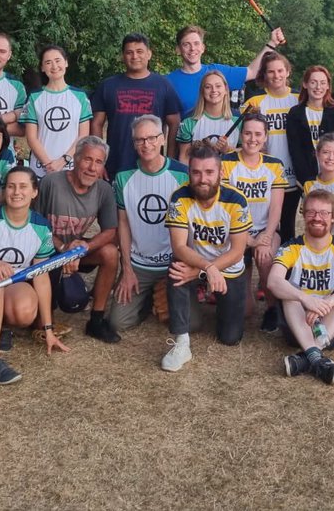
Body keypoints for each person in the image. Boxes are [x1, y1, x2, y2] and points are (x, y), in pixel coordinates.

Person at [0, 166, 66, 385]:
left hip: (10, 288)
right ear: (4, 191)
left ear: (34, 192)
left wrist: (47, 329)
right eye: (11, 186)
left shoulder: (41, 225)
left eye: (23, 187)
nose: (16, 192)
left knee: (24, 313)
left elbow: (40, 275)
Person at [160, 143, 251, 371]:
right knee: (176, 267)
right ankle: (182, 342)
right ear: (189, 173)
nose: (203, 179)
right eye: (196, 172)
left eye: (209, 172)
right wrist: (206, 269)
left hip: (227, 268)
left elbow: (238, 251)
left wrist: (206, 269)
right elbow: (179, 247)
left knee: (230, 337)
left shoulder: (236, 200)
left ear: (221, 173)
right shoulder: (180, 197)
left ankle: (216, 301)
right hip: (193, 263)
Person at [267, 189, 334, 385]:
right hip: (298, 325)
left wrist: (328, 302)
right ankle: (317, 359)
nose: (317, 218)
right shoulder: (291, 247)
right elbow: (273, 281)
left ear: (332, 218)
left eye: (324, 213)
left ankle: (308, 357)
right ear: (303, 215)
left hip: (333, 329)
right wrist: (305, 299)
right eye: (311, 212)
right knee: (289, 290)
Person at [107, 116, 191, 333]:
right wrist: (126, 269)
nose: (146, 144)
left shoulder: (183, 175)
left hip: (173, 264)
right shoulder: (124, 178)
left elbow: (192, 223)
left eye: (152, 138)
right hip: (139, 265)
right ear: (134, 143)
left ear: (162, 139)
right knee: (118, 322)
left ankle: (163, 289)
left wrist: (190, 265)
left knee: (191, 323)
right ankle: (146, 300)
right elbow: (123, 224)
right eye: (140, 140)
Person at [37, 136, 121, 343]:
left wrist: (83, 248)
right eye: (87, 160)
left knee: (110, 252)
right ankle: (44, 317)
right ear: (76, 158)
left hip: (75, 253)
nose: (92, 168)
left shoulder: (104, 190)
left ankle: (96, 320)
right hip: (45, 253)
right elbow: (34, 226)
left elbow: (111, 231)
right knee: (48, 312)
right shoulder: (51, 183)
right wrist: (64, 247)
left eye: (98, 162)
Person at [220, 112, 286, 330]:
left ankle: (273, 308)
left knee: (266, 257)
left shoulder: (274, 165)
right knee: (245, 311)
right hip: (236, 232)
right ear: (241, 134)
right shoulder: (227, 163)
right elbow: (224, 207)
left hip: (264, 230)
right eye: (248, 133)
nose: (252, 139)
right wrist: (245, 238)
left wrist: (266, 236)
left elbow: (276, 206)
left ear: (266, 137)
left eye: (258, 134)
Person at [90, 34, 182, 177]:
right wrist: (98, 161)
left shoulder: (163, 85)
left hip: (154, 166)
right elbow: (96, 123)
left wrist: (170, 159)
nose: (135, 56)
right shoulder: (108, 86)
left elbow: (175, 123)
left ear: (149, 54)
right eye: (129, 52)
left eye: (139, 51)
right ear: (122, 56)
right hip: (116, 164)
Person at [240, 50, 301, 240]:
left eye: (280, 71)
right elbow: (242, 134)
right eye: (271, 72)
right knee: (266, 222)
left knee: (288, 223)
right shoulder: (255, 101)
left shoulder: (299, 99)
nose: (276, 76)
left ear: (288, 72)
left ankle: (286, 267)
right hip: (263, 173)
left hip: (294, 172)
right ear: (264, 75)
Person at [167, 24, 285, 117]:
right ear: (178, 49)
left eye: (196, 44)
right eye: (186, 44)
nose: (192, 49)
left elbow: (252, 71)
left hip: (219, 145)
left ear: (203, 48)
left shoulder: (217, 73)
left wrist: (272, 43)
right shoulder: (168, 82)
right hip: (187, 144)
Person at [21, 44, 91, 178]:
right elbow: (31, 137)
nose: (54, 66)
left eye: (58, 60)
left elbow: (83, 136)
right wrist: (49, 164)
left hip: (71, 168)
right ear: (42, 67)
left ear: (66, 63)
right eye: (48, 62)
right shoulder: (34, 97)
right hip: (41, 169)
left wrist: (63, 160)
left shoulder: (80, 96)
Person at [285, 65, 334, 188]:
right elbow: (295, 151)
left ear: (327, 86)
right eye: (313, 82)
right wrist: (306, 181)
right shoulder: (295, 114)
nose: (318, 87)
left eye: (322, 83)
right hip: (307, 178)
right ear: (305, 84)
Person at [176, 69, 239, 165]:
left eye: (218, 86)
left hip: (229, 177)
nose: (214, 90)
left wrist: (228, 149)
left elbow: (248, 153)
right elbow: (184, 158)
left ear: (226, 90)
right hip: (200, 177)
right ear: (202, 91)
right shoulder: (189, 120)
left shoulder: (239, 119)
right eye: (208, 87)